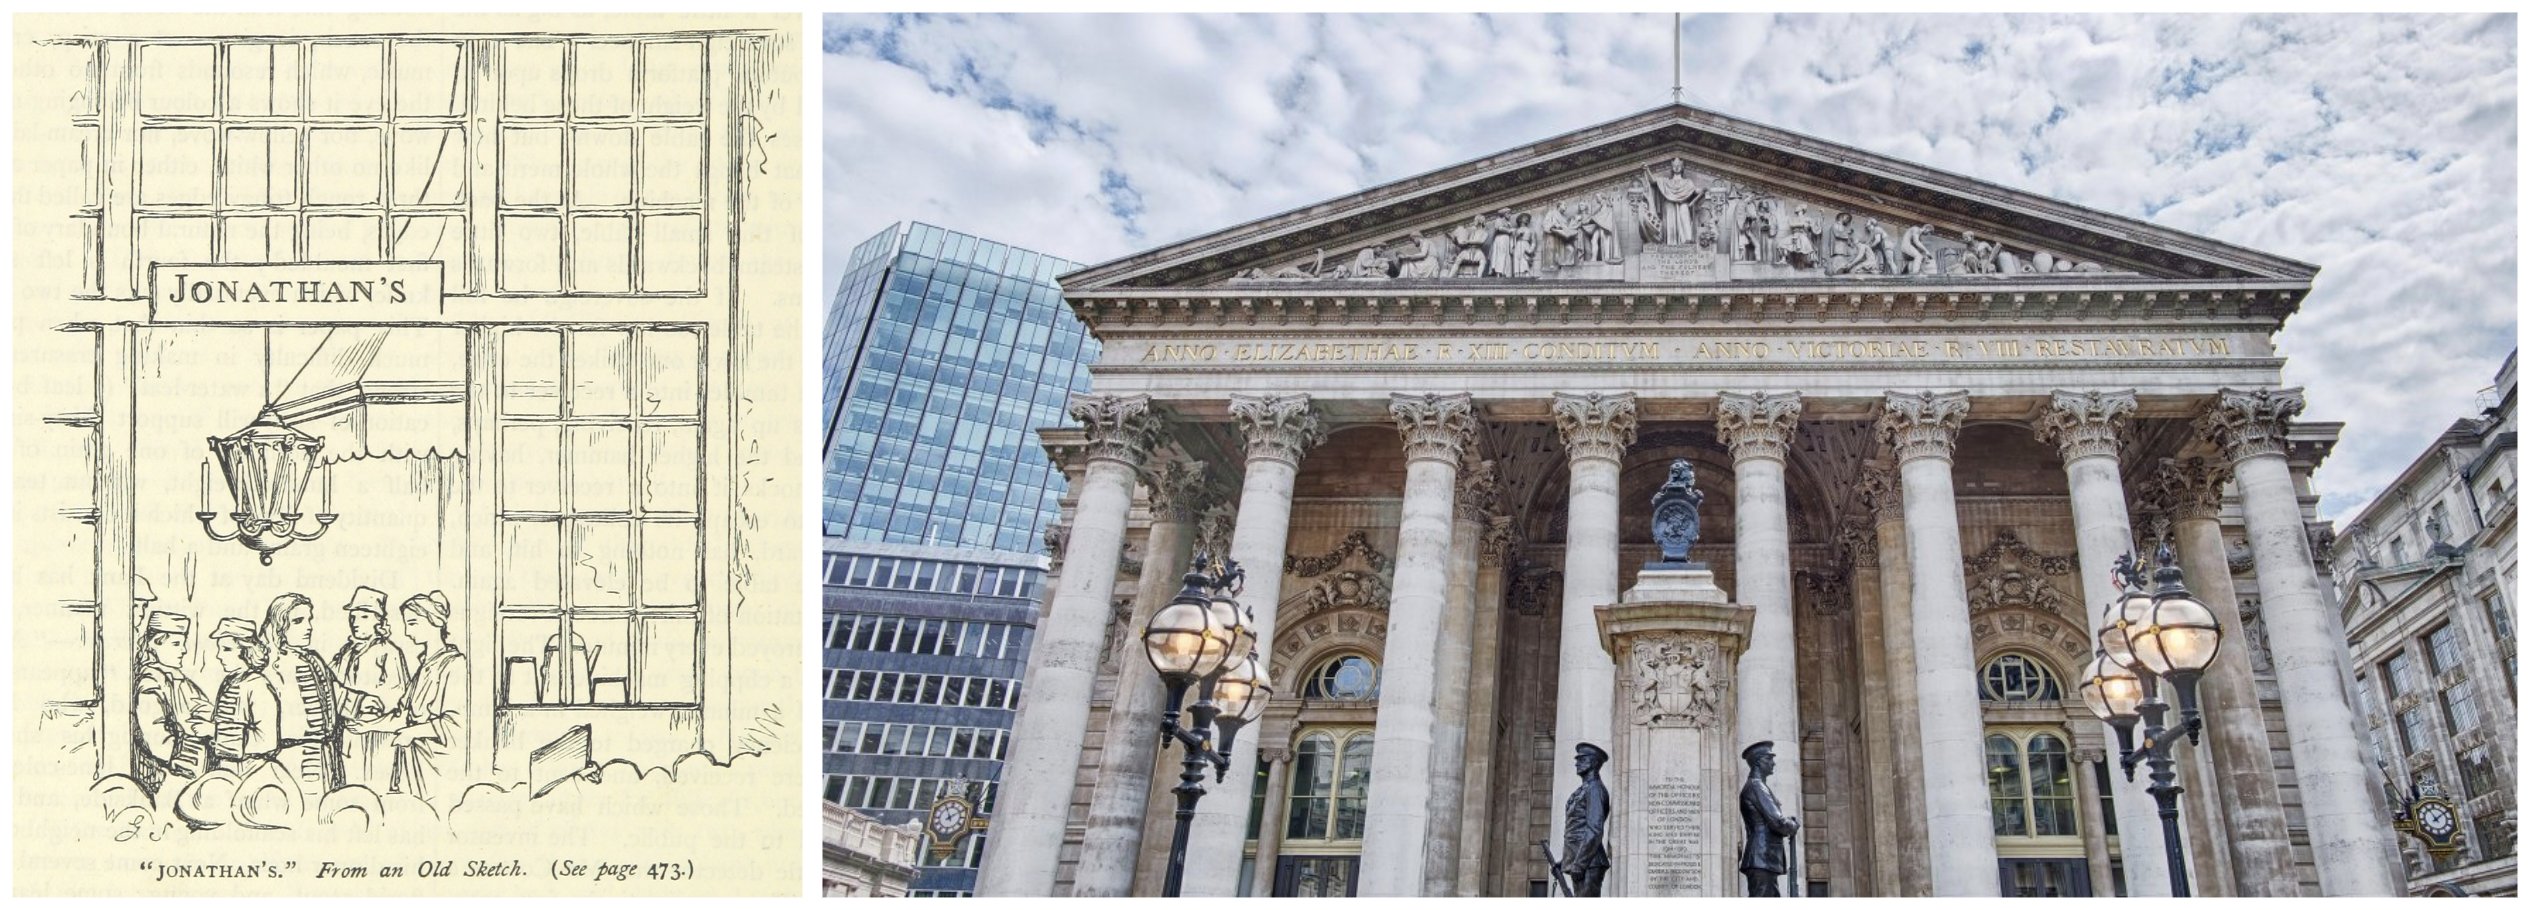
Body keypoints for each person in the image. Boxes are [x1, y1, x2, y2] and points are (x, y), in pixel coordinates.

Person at [351, 591, 468, 804]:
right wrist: (368, 726)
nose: (406, 631)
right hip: (413, 764)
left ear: (435, 622)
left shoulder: (454, 664)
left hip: (437, 768)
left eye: (413, 623)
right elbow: (403, 715)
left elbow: (455, 724)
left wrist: (412, 733)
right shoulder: (423, 668)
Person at [258, 593, 343, 802]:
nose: (309, 627)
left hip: (326, 753)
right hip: (293, 755)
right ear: (280, 627)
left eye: (309, 619)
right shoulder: (269, 666)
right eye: (298, 621)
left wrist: (363, 703)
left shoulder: (313, 659)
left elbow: (335, 693)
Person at [330, 586, 407, 791]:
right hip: (348, 733)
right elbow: (329, 684)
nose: (355, 622)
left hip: (378, 735)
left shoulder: (389, 652)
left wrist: (370, 709)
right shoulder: (346, 652)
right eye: (353, 617)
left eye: (363, 616)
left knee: (376, 788)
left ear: (378, 621)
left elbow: (397, 695)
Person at [134, 610, 213, 796]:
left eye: (183, 644)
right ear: (155, 644)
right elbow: (158, 741)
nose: (184, 650)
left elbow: (203, 707)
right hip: (168, 775)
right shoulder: (149, 683)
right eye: (176, 644)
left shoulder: (180, 680)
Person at [209, 617, 280, 775]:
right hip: (226, 769)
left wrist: (215, 733)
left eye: (227, 649)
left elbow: (267, 740)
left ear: (246, 650)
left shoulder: (258, 685)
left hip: (252, 771)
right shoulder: (229, 682)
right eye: (219, 649)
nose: (219, 655)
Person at [1739, 740, 1800, 897]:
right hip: (1761, 857)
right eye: (1769, 759)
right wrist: (1792, 825)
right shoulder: (1756, 786)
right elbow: (1777, 822)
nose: (1773, 763)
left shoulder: (1759, 786)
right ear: (1759, 762)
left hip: (1765, 858)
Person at [1563, 743, 1612, 897]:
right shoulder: (1585, 789)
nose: (1577, 763)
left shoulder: (1595, 789)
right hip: (1581, 860)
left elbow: (1594, 830)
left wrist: (1580, 863)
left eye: (1582, 760)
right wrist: (1567, 859)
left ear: (1594, 763)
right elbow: (1577, 828)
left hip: (1589, 862)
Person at [1645, 157, 1703, 246]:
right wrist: (1646, 169)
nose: (1676, 167)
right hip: (1669, 204)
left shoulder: (1687, 182)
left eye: (1679, 165)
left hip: (1683, 204)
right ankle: (1670, 242)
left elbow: (1695, 191)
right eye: (1675, 166)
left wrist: (1700, 191)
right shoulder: (1666, 181)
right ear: (1672, 167)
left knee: (1684, 210)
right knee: (1669, 208)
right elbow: (1652, 181)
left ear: (1682, 167)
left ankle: (1687, 240)